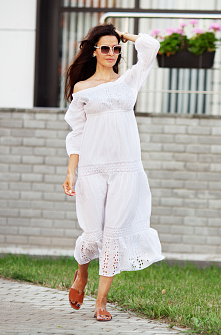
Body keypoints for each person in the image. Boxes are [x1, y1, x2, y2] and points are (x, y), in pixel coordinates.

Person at [62, 23, 164, 322]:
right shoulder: (81, 89)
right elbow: (76, 134)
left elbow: (151, 47)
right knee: (92, 232)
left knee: (113, 234)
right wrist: (71, 172)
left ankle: (101, 301)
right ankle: (81, 275)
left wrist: (125, 36)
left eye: (115, 49)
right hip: (93, 168)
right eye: (104, 48)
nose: (111, 53)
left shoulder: (129, 80)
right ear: (93, 51)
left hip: (126, 168)